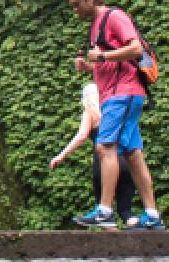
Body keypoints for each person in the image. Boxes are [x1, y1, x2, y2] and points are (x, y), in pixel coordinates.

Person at [65, 0, 163, 230]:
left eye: (77, 5)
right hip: (117, 93)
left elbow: (135, 48)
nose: (75, 10)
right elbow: (110, 62)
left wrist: (103, 56)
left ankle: (105, 210)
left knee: (105, 147)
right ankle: (152, 215)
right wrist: (90, 67)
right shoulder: (96, 25)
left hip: (123, 93)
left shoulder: (114, 16)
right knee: (132, 154)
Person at [48, 82, 139, 221]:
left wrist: (61, 156)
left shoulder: (90, 112)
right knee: (126, 211)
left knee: (103, 214)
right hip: (126, 163)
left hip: (104, 165)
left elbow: (82, 136)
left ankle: (111, 240)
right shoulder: (115, 108)